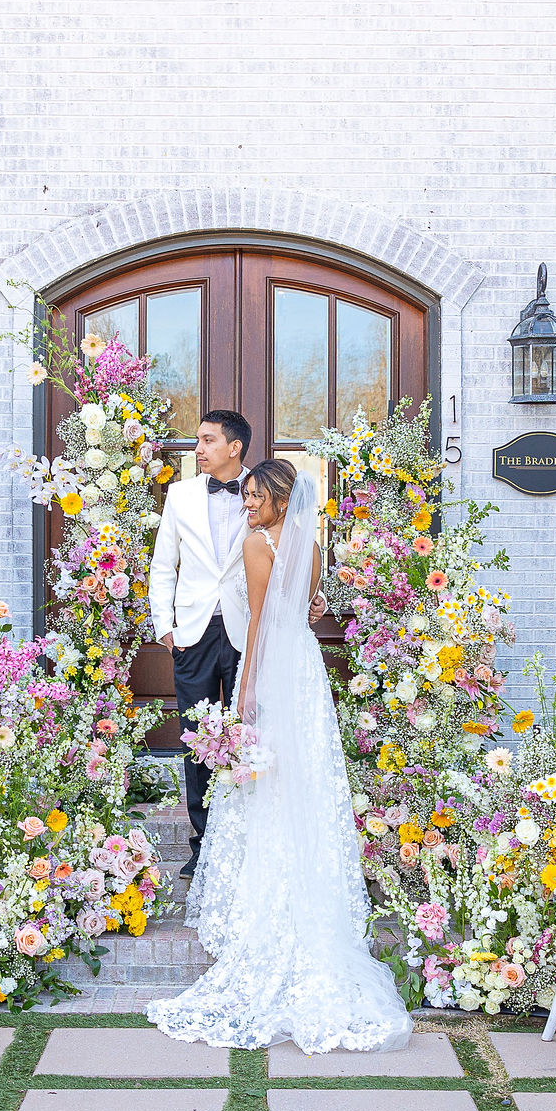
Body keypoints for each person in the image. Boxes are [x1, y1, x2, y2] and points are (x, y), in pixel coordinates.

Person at [146, 461, 413, 1053]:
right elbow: (310, 610)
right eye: (243, 494)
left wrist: (243, 700)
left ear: (279, 498)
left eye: (254, 494)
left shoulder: (255, 544)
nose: (246, 503)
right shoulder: (309, 543)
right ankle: (308, 897)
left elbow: (262, 626)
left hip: (272, 668)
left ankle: (272, 908)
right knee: (305, 782)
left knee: (267, 787)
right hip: (306, 670)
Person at [147, 411, 323, 877]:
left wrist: (311, 599)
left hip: (252, 632)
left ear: (235, 447)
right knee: (199, 740)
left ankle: (249, 837)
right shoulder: (181, 495)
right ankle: (204, 841)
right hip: (193, 631)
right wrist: (163, 624)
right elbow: (164, 562)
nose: (198, 449)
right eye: (197, 441)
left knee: (256, 735)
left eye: (207, 440)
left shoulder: (266, 495)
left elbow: (290, 560)